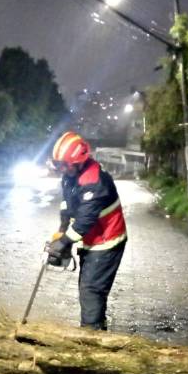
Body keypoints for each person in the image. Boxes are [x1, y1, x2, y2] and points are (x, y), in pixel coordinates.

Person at [47, 131, 127, 330]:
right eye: (59, 165)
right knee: (90, 288)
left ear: (79, 161)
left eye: (65, 164)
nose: (62, 169)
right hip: (91, 241)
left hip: (107, 241)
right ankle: (97, 326)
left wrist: (64, 242)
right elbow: (67, 205)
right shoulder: (69, 176)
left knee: (91, 289)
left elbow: (85, 221)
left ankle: (91, 335)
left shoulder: (94, 181)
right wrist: (61, 232)